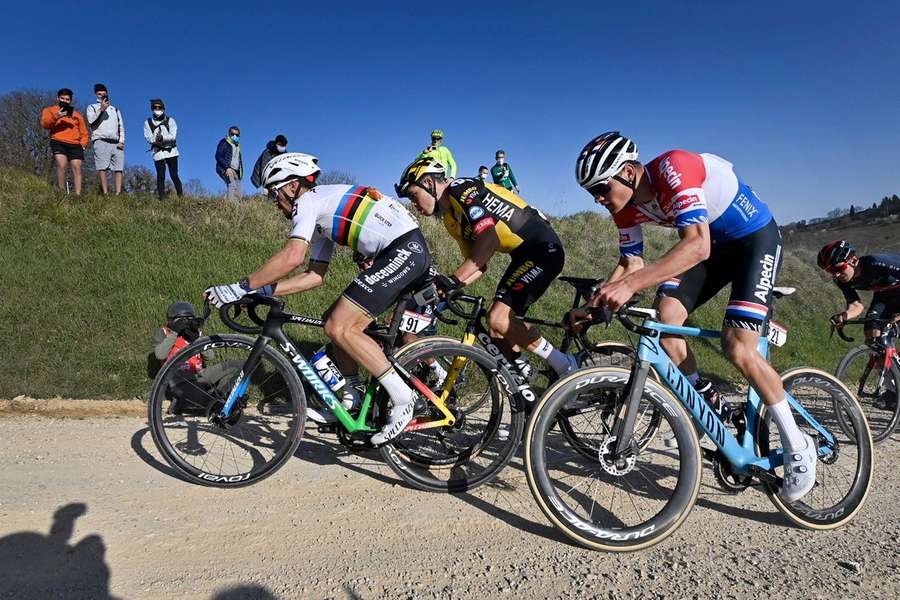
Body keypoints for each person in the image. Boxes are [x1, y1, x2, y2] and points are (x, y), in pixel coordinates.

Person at [573, 131, 815, 502]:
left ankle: (799, 446)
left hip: (754, 241)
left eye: (601, 188)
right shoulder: (623, 209)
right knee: (667, 322)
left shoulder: (673, 167)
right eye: (592, 193)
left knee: (738, 347)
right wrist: (593, 307)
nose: (599, 199)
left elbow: (696, 244)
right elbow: (631, 262)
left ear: (626, 172)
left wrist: (630, 285)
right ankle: (709, 406)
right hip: (713, 249)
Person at [205, 153, 434, 444]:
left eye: (274, 193)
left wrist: (239, 287)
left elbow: (293, 256)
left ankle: (403, 399)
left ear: (291, 186)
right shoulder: (322, 213)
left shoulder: (307, 202)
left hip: (404, 250)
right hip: (400, 251)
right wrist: (259, 291)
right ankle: (351, 397)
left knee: (341, 326)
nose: (273, 201)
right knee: (331, 321)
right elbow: (314, 275)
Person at [395, 157, 577, 380]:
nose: (414, 204)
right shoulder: (451, 221)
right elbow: (478, 264)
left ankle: (566, 365)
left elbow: (488, 241)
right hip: (522, 255)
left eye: (413, 195)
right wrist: (449, 288)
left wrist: (453, 279)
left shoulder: (461, 188)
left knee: (498, 319)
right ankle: (527, 381)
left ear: (429, 183)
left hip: (542, 247)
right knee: (496, 330)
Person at [820, 241, 900, 403]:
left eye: (837, 269)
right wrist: (844, 316)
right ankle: (893, 389)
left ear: (852, 260)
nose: (834, 274)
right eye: (830, 271)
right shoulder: (843, 280)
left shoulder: (875, 262)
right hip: (885, 295)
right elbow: (856, 305)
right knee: (873, 337)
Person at [40, 88, 89, 195]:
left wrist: (83, 145)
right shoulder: (49, 110)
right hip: (58, 141)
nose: (64, 100)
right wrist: (57, 116)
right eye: (62, 98)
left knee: (77, 167)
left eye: (67, 99)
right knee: (62, 165)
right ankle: (61, 193)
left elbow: (84, 132)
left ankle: (78, 195)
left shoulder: (77, 115)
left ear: (70, 101)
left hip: (76, 144)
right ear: (58, 98)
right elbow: (45, 124)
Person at [85, 84, 125, 195]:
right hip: (100, 140)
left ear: (107, 93)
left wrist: (122, 141)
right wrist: (101, 110)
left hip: (116, 142)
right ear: (96, 95)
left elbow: (121, 126)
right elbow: (91, 122)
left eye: (103, 93)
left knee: (118, 168)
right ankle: (105, 193)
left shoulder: (115, 110)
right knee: (102, 167)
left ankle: (118, 194)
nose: (102, 95)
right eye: (99, 93)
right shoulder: (92, 107)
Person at [143, 99, 182, 199]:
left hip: (171, 151)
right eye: (154, 107)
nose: (157, 109)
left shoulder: (171, 121)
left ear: (163, 108)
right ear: (152, 109)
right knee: (160, 176)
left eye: (159, 107)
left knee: (174, 175)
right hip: (157, 152)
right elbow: (148, 138)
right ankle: (162, 198)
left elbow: (173, 136)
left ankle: (181, 197)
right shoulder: (147, 123)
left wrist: (162, 138)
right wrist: (156, 138)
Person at [215, 126, 243, 201]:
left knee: (239, 192)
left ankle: (231, 204)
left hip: (236, 171)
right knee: (232, 185)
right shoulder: (224, 142)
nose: (235, 136)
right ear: (229, 134)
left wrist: (240, 172)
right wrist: (227, 167)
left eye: (237, 135)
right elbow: (218, 156)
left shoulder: (237, 146)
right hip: (226, 168)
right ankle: (231, 206)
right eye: (232, 134)